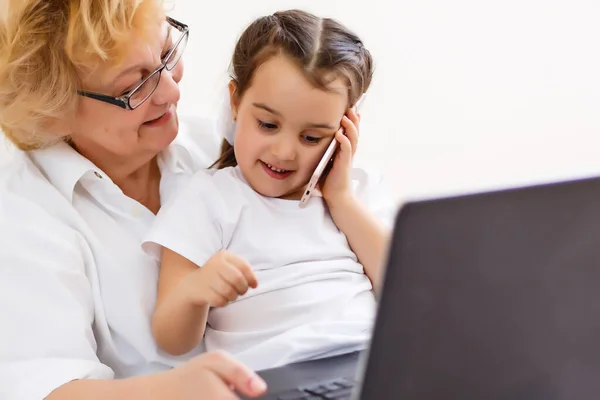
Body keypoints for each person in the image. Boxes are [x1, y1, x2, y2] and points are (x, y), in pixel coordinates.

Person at [0, 0, 266, 399]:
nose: (172, 91)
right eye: (133, 87)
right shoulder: (24, 214)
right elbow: (48, 388)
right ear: (54, 110)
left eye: (165, 53)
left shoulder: (218, 149)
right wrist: (173, 391)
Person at [143, 9, 394, 371]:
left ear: (345, 127)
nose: (284, 152)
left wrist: (340, 199)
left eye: (311, 137)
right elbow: (171, 338)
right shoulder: (209, 199)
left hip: (376, 363)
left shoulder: (355, 194)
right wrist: (197, 290)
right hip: (277, 378)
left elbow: (406, 295)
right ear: (235, 101)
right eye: (267, 124)